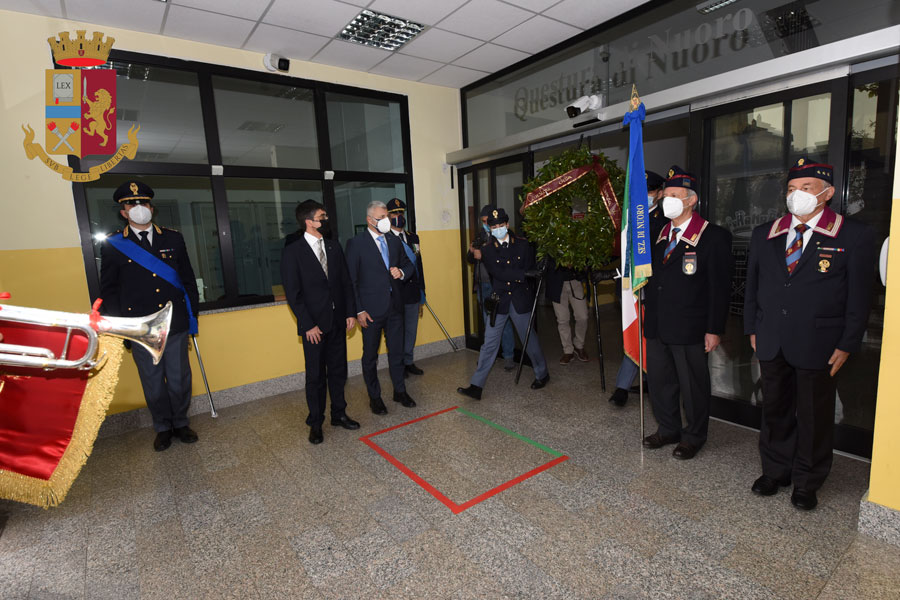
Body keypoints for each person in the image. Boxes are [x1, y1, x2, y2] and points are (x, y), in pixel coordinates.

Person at [744, 157, 875, 510]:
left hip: (821, 342)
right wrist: (752, 328)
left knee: (815, 414)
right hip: (772, 338)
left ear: (827, 193)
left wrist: (848, 343)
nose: (795, 195)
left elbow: (859, 297)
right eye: (791, 189)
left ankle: (807, 480)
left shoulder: (853, 235)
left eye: (806, 189)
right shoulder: (765, 233)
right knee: (774, 409)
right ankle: (775, 470)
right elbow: (753, 287)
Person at [99, 180, 200, 452]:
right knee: (153, 383)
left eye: (143, 203)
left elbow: (188, 281)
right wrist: (123, 331)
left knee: (179, 380)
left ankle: (180, 422)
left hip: (174, 322)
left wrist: (192, 317)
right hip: (140, 326)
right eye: (131, 204)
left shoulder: (173, 238)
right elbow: (109, 292)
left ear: (151, 208)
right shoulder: (113, 245)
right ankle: (163, 427)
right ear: (123, 212)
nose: (138, 208)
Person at [642, 166, 732, 460]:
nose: (667, 200)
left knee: (692, 385)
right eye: (665, 195)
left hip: (691, 326)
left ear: (691, 200)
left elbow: (720, 288)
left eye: (674, 195)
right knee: (659, 380)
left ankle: (694, 435)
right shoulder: (657, 234)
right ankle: (668, 428)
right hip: (657, 323)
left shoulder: (713, 236)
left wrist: (714, 328)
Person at [281, 200, 359, 445]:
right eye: (322, 217)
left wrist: (350, 313)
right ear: (309, 221)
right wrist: (307, 325)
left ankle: (339, 414)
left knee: (338, 371)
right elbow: (293, 294)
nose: (326, 220)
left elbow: (346, 283)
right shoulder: (293, 251)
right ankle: (316, 422)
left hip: (337, 322)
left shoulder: (334, 247)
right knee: (315, 377)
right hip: (313, 326)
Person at [457, 208, 549, 400]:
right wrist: (523, 274)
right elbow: (499, 273)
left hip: (520, 300)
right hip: (500, 301)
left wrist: (536, 272)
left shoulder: (523, 245)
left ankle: (542, 374)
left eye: (501, 225)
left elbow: (532, 270)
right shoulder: (487, 250)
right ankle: (476, 385)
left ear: (507, 225)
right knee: (489, 343)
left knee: (529, 340)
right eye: (494, 226)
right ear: (490, 229)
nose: (498, 229)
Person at [345, 200, 415, 415]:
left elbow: (409, 265)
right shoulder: (356, 243)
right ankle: (375, 397)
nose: (386, 221)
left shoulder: (394, 241)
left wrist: (401, 273)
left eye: (387, 216)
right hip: (370, 311)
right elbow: (351, 281)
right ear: (369, 220)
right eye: (381, 218)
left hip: (395, 308)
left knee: (396, 352)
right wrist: (358, 310)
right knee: (370, 356)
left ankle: (399, 391)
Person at [610, 170, 667, 406]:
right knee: (633, 332)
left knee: (651, 338)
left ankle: (651, 383)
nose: (644, 198)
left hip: (655, 288)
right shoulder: (629, 220)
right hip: (630, 288)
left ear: (660, 193)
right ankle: (623, 387)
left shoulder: (665, 221)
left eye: (649, 192)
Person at [467, 204, 516, 371]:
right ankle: (490, 357)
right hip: (482, 284)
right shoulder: (480, 236)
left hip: (498, 284)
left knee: (504, 320)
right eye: (483, 222)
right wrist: (472, 251)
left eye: (487, 221)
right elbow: (470, 259)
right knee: (489, 323)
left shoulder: (504, 236)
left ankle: (509, 356)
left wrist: (485, 253)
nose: (486, 224)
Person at [386, 198, 426, 377]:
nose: (398, 216)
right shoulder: (385, 239)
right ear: (387, 216)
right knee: (396, 332)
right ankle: (398, 365)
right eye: (394, 213)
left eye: (401, 212)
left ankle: (408, 361)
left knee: (411, 330)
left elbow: (419, 266)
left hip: (412, 293)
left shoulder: (412, 237)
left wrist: (422, 291)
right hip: (395, 294)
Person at [545, 259, 589, 365]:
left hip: (576, 280)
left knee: (583, 316)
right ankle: (568, 350)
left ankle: (578, 345)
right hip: (556, 282)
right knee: (562, 319)